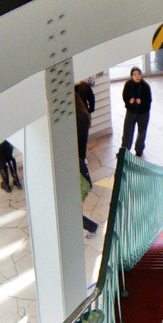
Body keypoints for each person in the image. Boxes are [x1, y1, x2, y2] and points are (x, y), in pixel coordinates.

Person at [74, 89, 99, 235]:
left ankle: (92, 227)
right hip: (79, 160)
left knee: (75, 212)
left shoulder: (78, 117)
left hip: (77, 162)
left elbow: (85, 186)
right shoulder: (83, 115)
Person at [120, 66, 151, 157]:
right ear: (131, 76)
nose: (137, 76)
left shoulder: (145, 86)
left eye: (138, 74)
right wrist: (129, 102)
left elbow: (149, 101)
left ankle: (139, 149)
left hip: (143, 113)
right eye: (134, 75)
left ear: (141, 75)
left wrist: (141, 102)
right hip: (131, 112)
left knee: (141, 132)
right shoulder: (128, 84)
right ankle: (125, 150)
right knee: (127, 131)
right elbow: (125, 96)